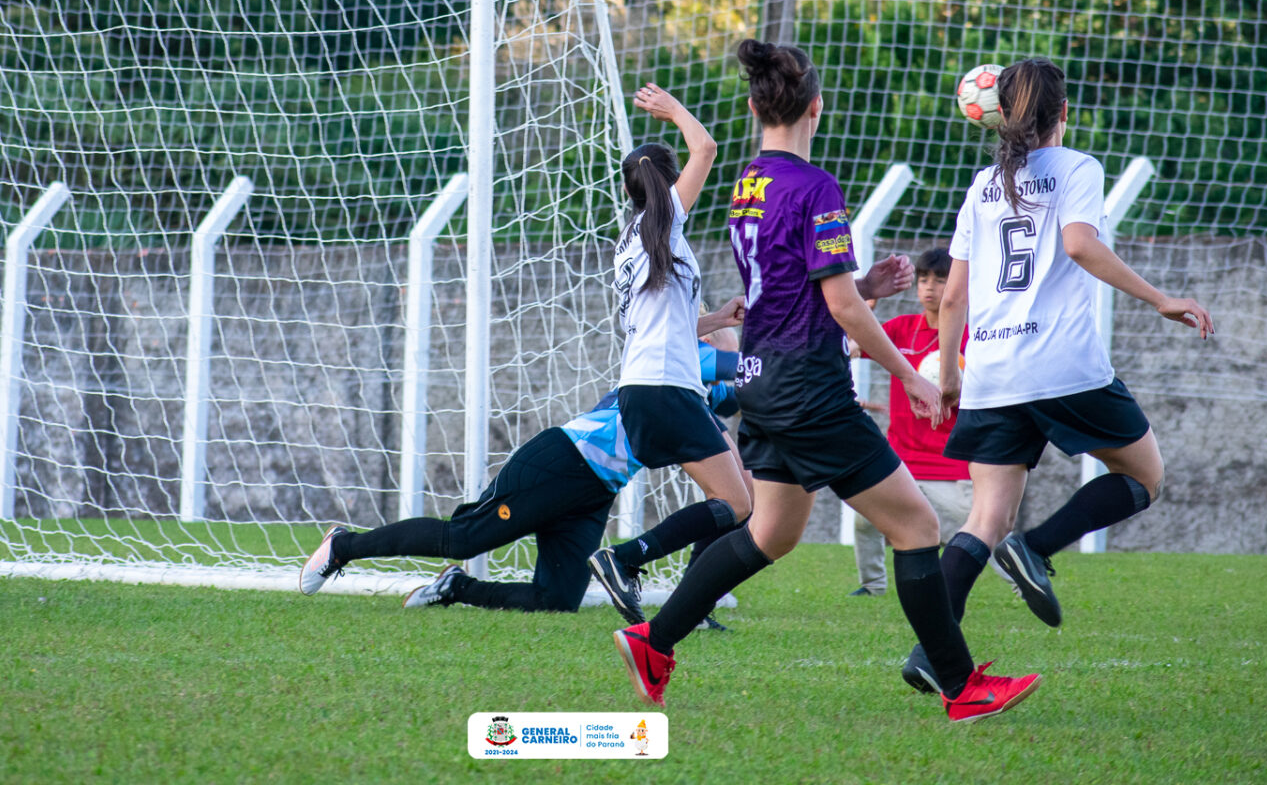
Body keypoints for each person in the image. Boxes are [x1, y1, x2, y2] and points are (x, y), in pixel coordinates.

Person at [610, 42, 1037, 723]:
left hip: (760, 378)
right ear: (817, 106)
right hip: (810, 388)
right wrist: (910, 376)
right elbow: (837, 307)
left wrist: (863, 287)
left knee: (773, 531)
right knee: (918, 523)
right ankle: (960, 686)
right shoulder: (817, 188)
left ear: (755, 108)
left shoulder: (748, 181)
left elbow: (795, 293)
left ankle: (654, 640)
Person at [928, 57, 1212, 670]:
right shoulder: (1077, 166)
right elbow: (1080, 244)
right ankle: (1036, 548)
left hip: (992, 370)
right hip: (1060, 363)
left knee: (984, 516)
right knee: (1144, 477)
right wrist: (1162, 298)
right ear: (1063, 112)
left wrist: (949, 374)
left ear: (1001, 115)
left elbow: (953, 297)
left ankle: (932, 653)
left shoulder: (981, 186)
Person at [297, 297, 746, 613]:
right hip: (562, 463)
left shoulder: (699, 389)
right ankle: (344, 545)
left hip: (594, 494)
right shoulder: (685, 356)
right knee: (463, 538)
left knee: (555, 601)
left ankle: (459, 588)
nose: (736, 333)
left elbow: (730, 398)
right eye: (729, 328)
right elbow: (740, 370)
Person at [583, 83, 753, 623]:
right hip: (666, 389)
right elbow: (706, 148)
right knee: (742, 504)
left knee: (733, 501)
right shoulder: (668, 222)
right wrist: (673, 109)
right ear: (667, 178)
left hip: (645, 387)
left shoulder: (634, 240)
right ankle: (625, 559)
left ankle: (687, 599)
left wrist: (718, 320)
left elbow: (664, 323)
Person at [851, 246, 972, 598]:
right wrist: (860, 314)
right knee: (863, 518)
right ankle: (872, 586)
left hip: (949, 461)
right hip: (899, 458)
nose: (929, 288)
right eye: (923, 280)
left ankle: (1022, 584)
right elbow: (851, 346)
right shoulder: (901, 330)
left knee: (983, 527)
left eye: (940, 280)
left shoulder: (971, 336)